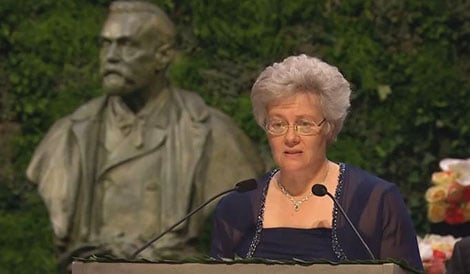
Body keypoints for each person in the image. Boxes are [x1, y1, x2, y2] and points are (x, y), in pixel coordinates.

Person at [26, 0, 265, 271]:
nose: (111, 56)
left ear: (162, 56)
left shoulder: (214, 134)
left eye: (127, 45)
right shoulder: (67, 135)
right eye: (106, 44)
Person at [210, 54, 424, 271]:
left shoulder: (375, 201)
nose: (291, 137)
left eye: (304, 124)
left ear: (329, 128)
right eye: (278, 124)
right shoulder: (235, 208)